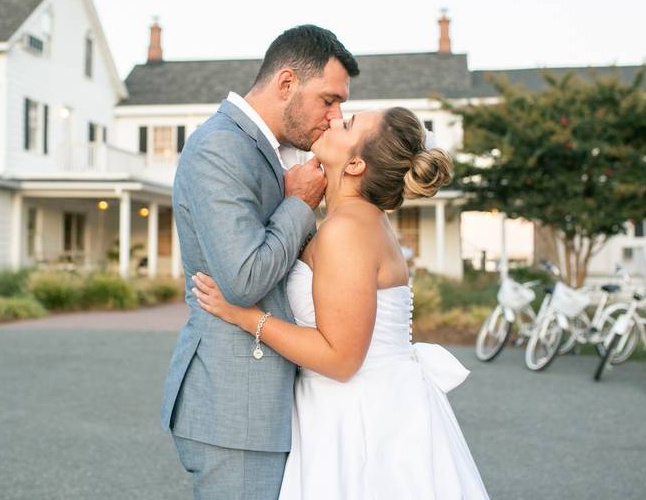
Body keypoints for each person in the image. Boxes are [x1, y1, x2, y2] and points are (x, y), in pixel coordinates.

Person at [192, 107, 490, 499]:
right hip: (374, 404)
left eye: (347, 125)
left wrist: (245, 316)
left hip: (359, 417)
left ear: (354, 164)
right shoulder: (362, 219)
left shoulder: (346, 230)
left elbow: (341, 359)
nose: (334, 119)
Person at [160, 25, 359, 499]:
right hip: (236, 410)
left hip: (273, 406)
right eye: (329, 100)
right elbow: (243, 280)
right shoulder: (219, 146)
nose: (335, 118)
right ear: (286, 84)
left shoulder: (275, 150)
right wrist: (298, 203)